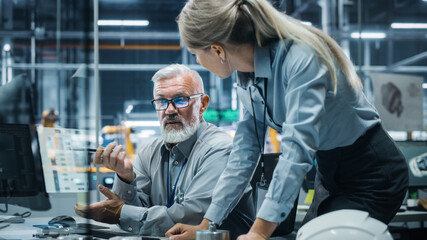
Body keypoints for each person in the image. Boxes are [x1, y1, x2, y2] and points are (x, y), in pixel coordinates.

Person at [166, 0, 409, 239]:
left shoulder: (301, 60)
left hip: (372, 174)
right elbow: (243, 156)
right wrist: (207, 224)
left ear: (218, 50)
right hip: (328, 172)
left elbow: (296, 151)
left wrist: (259, 233)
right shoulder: (248, 80)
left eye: (195, 54)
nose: (197, 61)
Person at [74, 64, 255, 237]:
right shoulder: (149, 151)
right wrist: (125, 177)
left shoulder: (219, 149)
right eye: (161, 101)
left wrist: (120, 213)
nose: (169, 110)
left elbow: (188, 221)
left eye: (180, 100)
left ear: (203, 104)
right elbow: (133, 215)